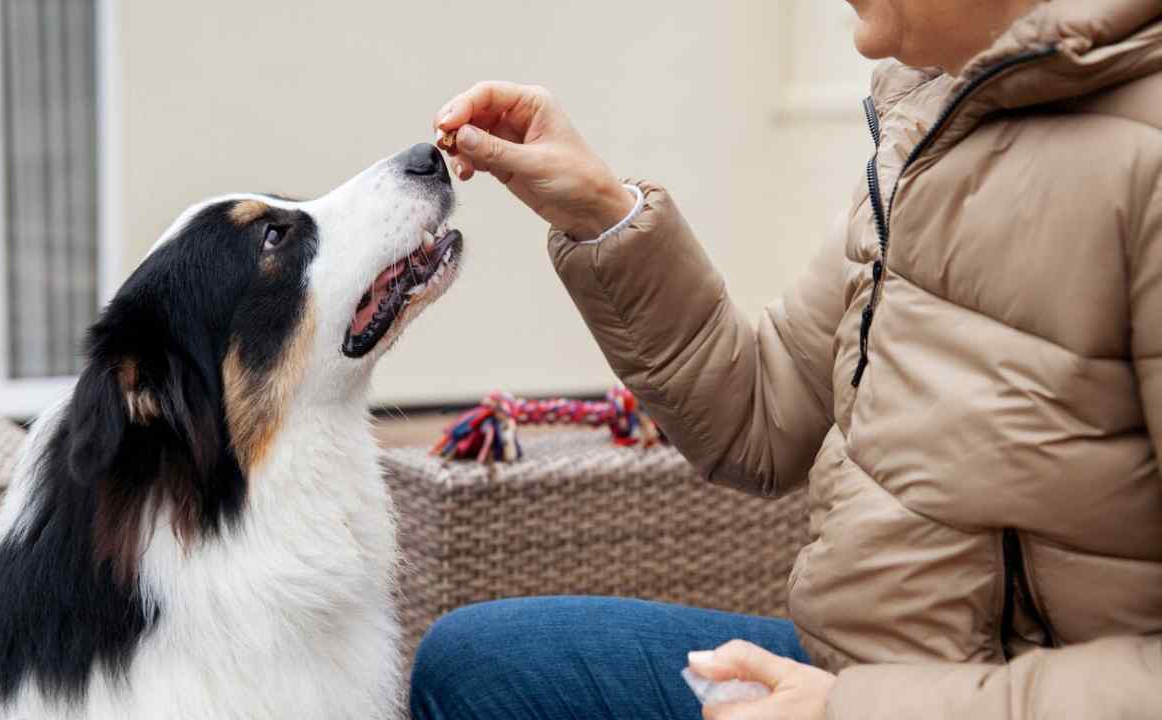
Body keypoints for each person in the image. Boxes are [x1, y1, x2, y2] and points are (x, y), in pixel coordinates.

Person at [410, 0, 1162, 718]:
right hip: (855, 675)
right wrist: (601, 212)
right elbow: (760, 419)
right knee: (484, 668)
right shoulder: (935, 129)